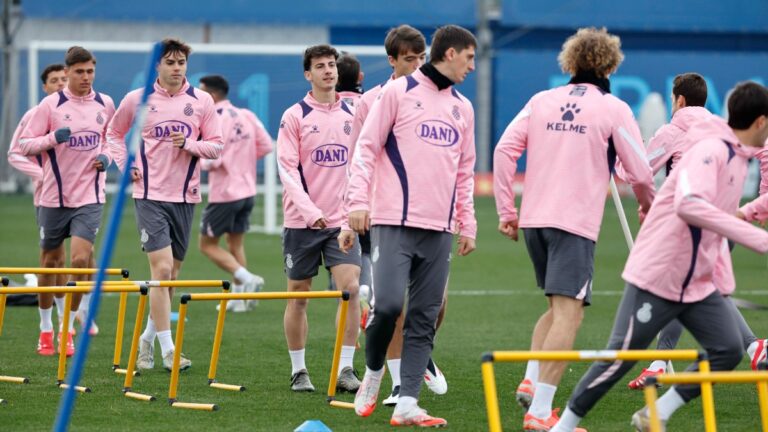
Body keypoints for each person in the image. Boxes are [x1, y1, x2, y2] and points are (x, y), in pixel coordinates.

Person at [549, 81, 768, 432]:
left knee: (727, 349)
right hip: (659, 274)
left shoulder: (739, 158)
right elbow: (689, 205)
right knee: (620, 358)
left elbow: (715, 227)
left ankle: (658, 413)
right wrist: (758, 239)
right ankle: (562, 426)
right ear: (760, 122)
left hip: (697, 283)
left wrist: (721, 280)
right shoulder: (712, 151)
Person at [493, 27, 655, 430]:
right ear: (610, 64)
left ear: (570, 62)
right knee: (570, 315)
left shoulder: (541, 100)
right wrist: (648, 205)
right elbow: (640, 170)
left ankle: (532, 381)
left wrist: (505, 209)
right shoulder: (614, 108)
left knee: (556, 308)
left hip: (535, 220)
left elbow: (503, 150)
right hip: (573, 224)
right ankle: (540, 412)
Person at [343, 24, 478, 427]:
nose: (472, 66)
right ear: (450, 54)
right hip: (392, 222)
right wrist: (355, 204)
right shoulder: (395, 94)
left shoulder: (463, 108)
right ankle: (373, 372)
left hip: (438, 229)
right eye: (469, 58)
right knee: (386, 307)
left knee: (424, 316)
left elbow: (465, 171)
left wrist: (466, 222)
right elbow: (365, 149)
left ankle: (407, 402)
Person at [628, 73, 768, 389]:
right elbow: (763, 151)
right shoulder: (721, 126)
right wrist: (760, 199)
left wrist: (646, 201)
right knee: (704, 289)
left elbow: (637, 171)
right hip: (725, 219)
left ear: (678, 99)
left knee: (683, 290)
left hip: (690, 225)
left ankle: (659, 363)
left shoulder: (672, 130)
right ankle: (752, 346)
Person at [107, 38, 223, 372]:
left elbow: (216, 146)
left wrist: (190, 144)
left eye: (181, 62)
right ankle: (170, 351)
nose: (176, 68)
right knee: (160, 271)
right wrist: (124, 162)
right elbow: (113, 134)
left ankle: (145, 342)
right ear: (157, 65)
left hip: (185, 196)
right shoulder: (138, 99)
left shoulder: (201, 101)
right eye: (169, 62)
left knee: (170, 278)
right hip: (149, 194)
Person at [351, 24, 449, 407]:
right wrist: (352, 213)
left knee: (437, 305)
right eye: (410, 58)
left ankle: (418, 354)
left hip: (433, 218)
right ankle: (392, 381)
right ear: (391, 60)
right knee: (390, 305)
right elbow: (359, 157)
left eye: (421, 57)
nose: (417, 64)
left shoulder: (445, 99)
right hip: (385, 215)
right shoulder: (373, 100)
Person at [18, 48, 115, 357]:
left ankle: (67, 327)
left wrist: (107, 157)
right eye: (80, 72)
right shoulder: (50, 105)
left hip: (90, 196)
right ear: (69, 72)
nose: (86, 77)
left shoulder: (105, 103)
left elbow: (112, 141)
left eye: (90, 72)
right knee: (50, 263)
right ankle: (45, 329)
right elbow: (24, 145)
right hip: (54, 197)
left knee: (81, 261)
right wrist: (51, 139)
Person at [277, 44, 362, 393]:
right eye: (320, 66)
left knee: (352, 290)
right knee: (299, 297)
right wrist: (311, 213)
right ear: (307, 74)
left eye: (332, 65)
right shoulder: (294, 116)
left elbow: (363, 164)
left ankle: (345, 370)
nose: (328, 70)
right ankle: (299, 370)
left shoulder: (355, 113)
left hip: (342, 223)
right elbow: (287, 169)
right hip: (303, 223)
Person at [197, 74, 273, 313]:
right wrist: (243, 162)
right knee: (235, 243)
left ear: (211, 95)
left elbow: (213, 158)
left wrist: (198, 160)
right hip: (247, 189)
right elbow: (266, 145)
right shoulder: (246, 115)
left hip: (226, 192)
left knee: (206, 245)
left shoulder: (215, 118)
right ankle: (242, 298)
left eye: (201, 93)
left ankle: (246, 278)